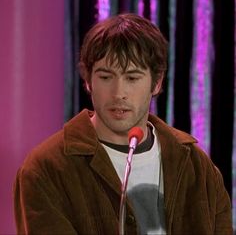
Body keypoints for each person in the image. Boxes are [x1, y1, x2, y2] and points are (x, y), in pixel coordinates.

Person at [14, 13, 232, 235]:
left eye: (132, 78)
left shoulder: (197, 166)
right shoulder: (46, 169)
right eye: (106, 77)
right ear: (88, 81)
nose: (119, 94)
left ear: (156, 83)